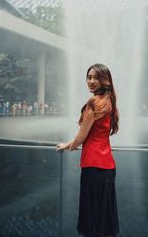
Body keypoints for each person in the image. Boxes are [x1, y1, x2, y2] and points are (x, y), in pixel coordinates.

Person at [56, 63, 119, 237]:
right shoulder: (109, 101)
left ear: (105, 80)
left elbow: (81, 137)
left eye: (96, 77)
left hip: (93, 166)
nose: (91, 81)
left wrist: (67, 145)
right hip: (108, 166)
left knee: (91, 217)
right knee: (104, 216)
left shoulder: (94, 102)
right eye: (89, 77)